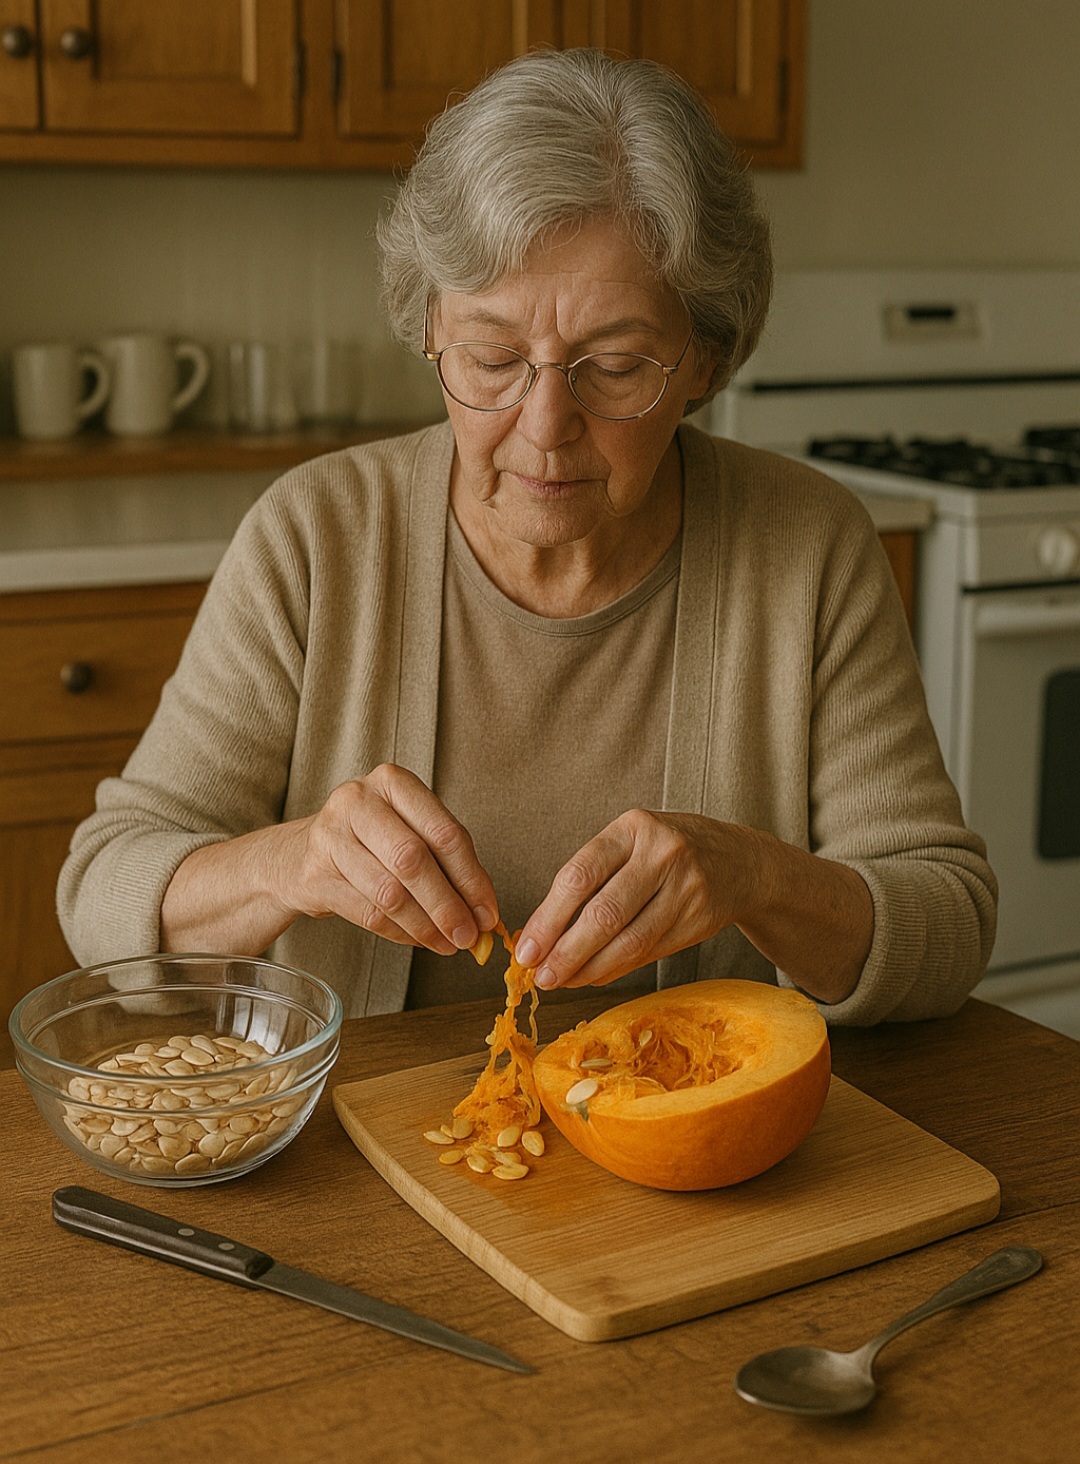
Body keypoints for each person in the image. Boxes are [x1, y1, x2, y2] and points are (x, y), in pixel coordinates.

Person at [58, 48, 996, 1025]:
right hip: (361, 1117)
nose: (545, 427)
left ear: (705, 361)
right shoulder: (315, 538)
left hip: (693, 1126)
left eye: (617, 366)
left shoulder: (809, 548)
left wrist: (756, 877)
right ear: (429, 330)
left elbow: (949, 924)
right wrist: (291, 863)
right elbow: (104, 897)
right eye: (493, 357)